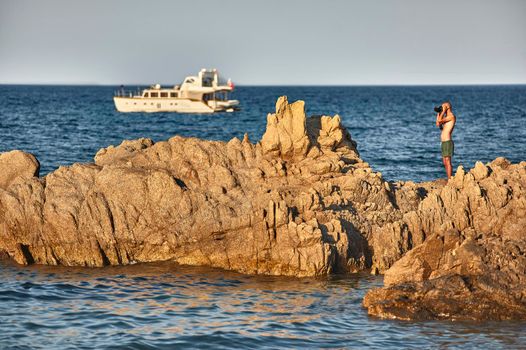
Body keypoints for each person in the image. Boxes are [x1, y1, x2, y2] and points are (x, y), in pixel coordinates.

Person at [436, 101, 456, 179]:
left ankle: (450, 179)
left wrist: (443, 110)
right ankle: (449, 177)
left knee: (448, 161)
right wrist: (439, 112)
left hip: (448, 141)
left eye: (444, 106)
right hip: (444, 142)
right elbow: (438, 123)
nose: (442, 107)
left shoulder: (451, 116)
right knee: (445, 162)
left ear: (448, 107)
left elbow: (440, 121)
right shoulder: (445, 117)